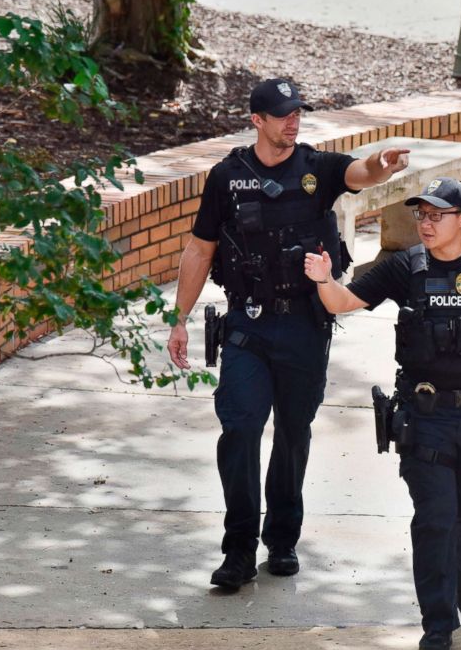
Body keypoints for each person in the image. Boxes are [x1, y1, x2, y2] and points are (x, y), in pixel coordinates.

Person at [167, 78, 410, 592]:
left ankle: (282, 540)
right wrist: (179, 317)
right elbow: (199, 250)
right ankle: (238, 549)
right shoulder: (226, 177)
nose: (293, 121)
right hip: (248, 326)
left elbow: (357, 172)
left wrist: (381, 165)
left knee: (294, 433)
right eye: (282, 114)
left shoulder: (314, 168)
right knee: (240, 430)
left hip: (303, 325)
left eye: (298, 112)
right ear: (257, 120)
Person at [303, 178, 461, 650]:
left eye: (437, 215)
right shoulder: (405, 266)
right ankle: (438, 622)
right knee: (434, 519)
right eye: (421, 215)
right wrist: (323, 279)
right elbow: (343, 303)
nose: (427, 223)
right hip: (425, 411)